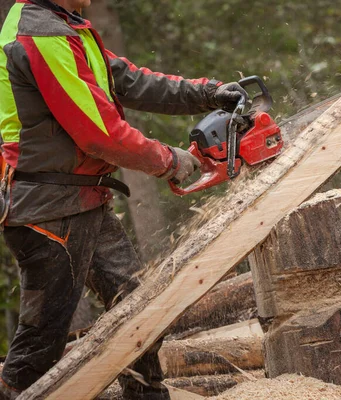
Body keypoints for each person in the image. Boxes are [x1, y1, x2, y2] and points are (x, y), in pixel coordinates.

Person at [0, 0, 248, 398]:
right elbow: (100, 132)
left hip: (82, 200)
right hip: (48, 210)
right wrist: (167, 160)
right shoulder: (40, 35)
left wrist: (207, 93)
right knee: (40, 347)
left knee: (138, 313)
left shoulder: (65, 27)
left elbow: (129, 80)